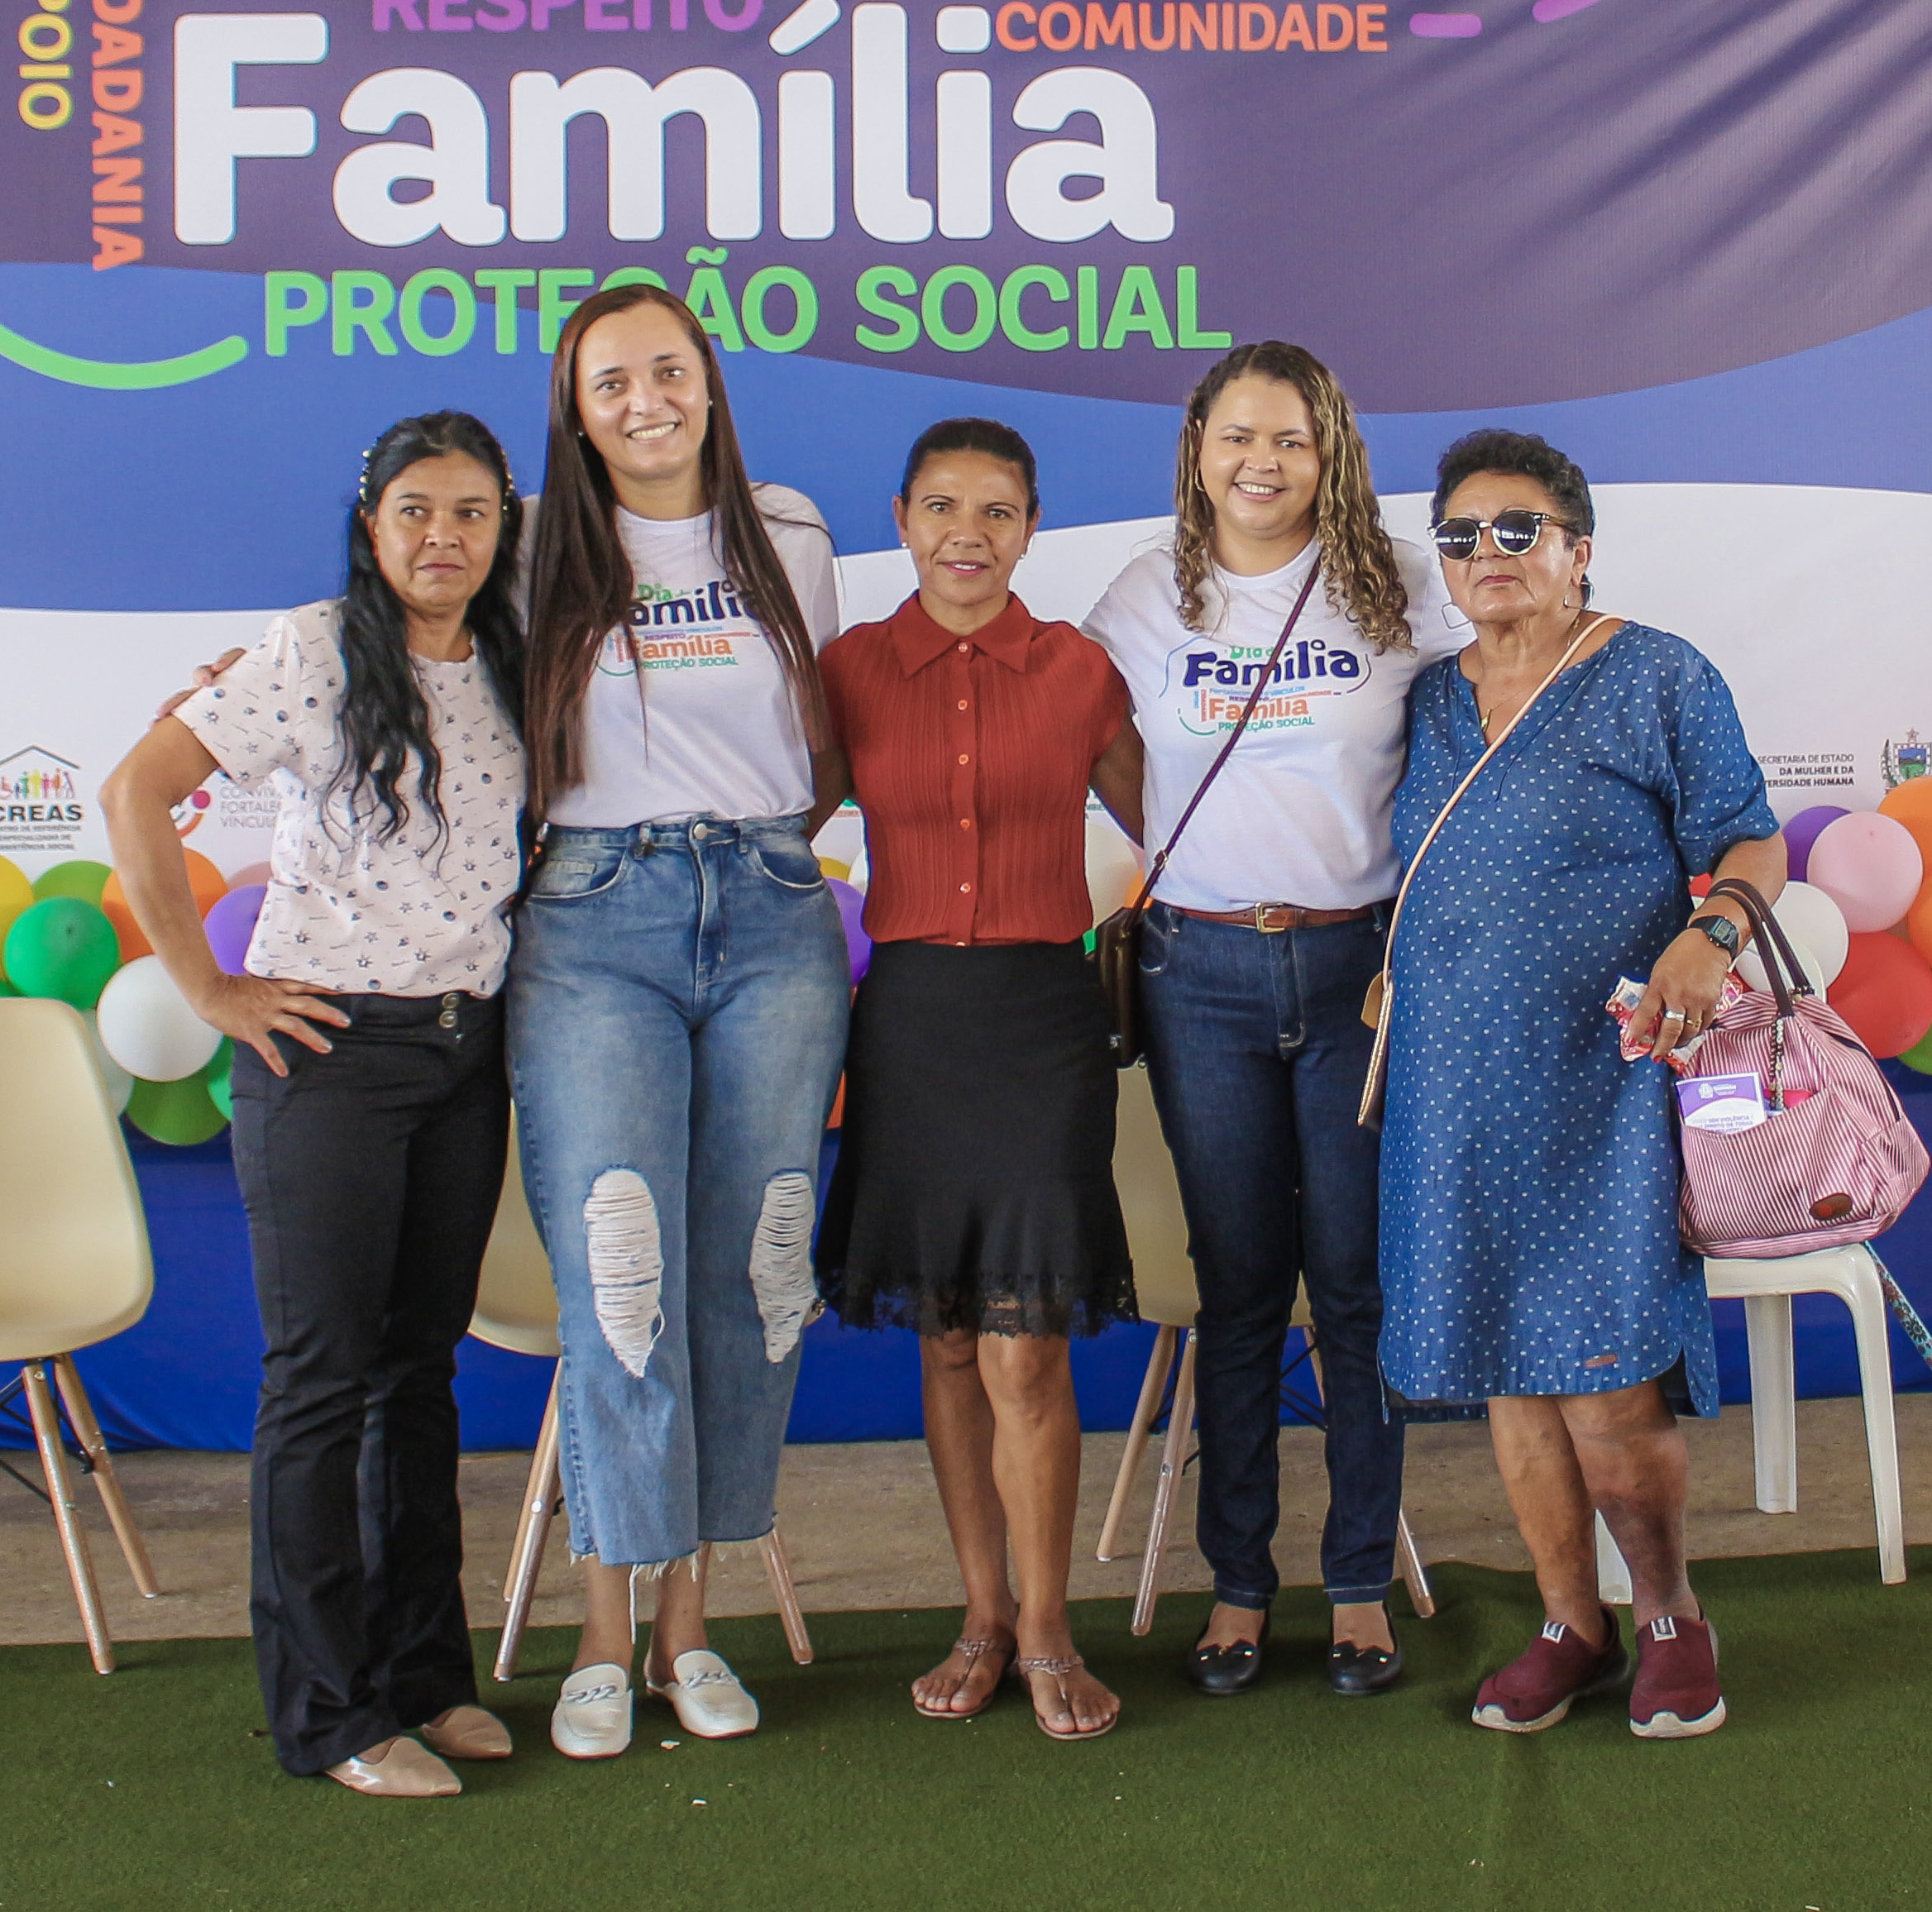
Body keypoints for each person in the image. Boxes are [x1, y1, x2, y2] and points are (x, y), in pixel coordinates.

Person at [98, 411, 529, 1801]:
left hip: (466, 1053)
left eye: (471, 512)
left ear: (503, 530)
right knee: (323, 1383)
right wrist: (209, 987)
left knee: (420, 1373)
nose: (443, 536)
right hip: (330, 1057)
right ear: (369, 525)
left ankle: (426, 1676)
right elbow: (135, 791)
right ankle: (329, 1710)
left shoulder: (516, 657)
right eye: (416, 510)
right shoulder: (310, 651)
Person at [1374, 429, 1784, 1741]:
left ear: (1578, 548)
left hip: (1601, 1085)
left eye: (1520, 528)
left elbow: (1752, 837)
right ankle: (1570, 1623)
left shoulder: (1656, 673)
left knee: (1608, 1379)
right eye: (1460, 534)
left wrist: (1710, 935)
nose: (1487, 553)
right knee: (1509, 1369)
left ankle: (1668, 1615)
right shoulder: (1425, 700)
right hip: (1451, 1088)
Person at [1081, 341, 1468, 1699]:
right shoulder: (1147, 594)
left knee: (1355, 1289)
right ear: (1198, 448)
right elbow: (1104, 748)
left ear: (1331, 451)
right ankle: (1238, 1585)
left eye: (1291, 439)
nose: (1264, 461)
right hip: (1201, 974)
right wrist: (1183, 853)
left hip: (1360, 968)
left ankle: (1358, 1582)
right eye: (1239, 436)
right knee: (1239, 1289)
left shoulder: (1401, 582)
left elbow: (1484, 723)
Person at [512, 281, 853, 1761]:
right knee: (621, 1270)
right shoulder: (535, 544)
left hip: (774, 910)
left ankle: (689, 1626)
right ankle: (601, 1635)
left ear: (710, 381)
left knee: (758, 1270)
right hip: (596, 923)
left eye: (669, 369)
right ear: (576, 410)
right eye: (612, 381)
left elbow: (821, 744)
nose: (645, 399)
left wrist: (753, 852)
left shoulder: (790, 534)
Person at [817, 418, 1145, 1741]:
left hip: (1039, 1025)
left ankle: (1051, 1625)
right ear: (902, 518)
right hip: (910, 1026)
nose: (969, 532)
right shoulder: (849, 668)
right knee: (948, 1335)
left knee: (1024, 1345)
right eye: (943, 506)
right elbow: (767, 814)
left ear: (1031, 525)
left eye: (998, 510)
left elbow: (1184, 825)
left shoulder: (1078, 670)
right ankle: (983, 1614)